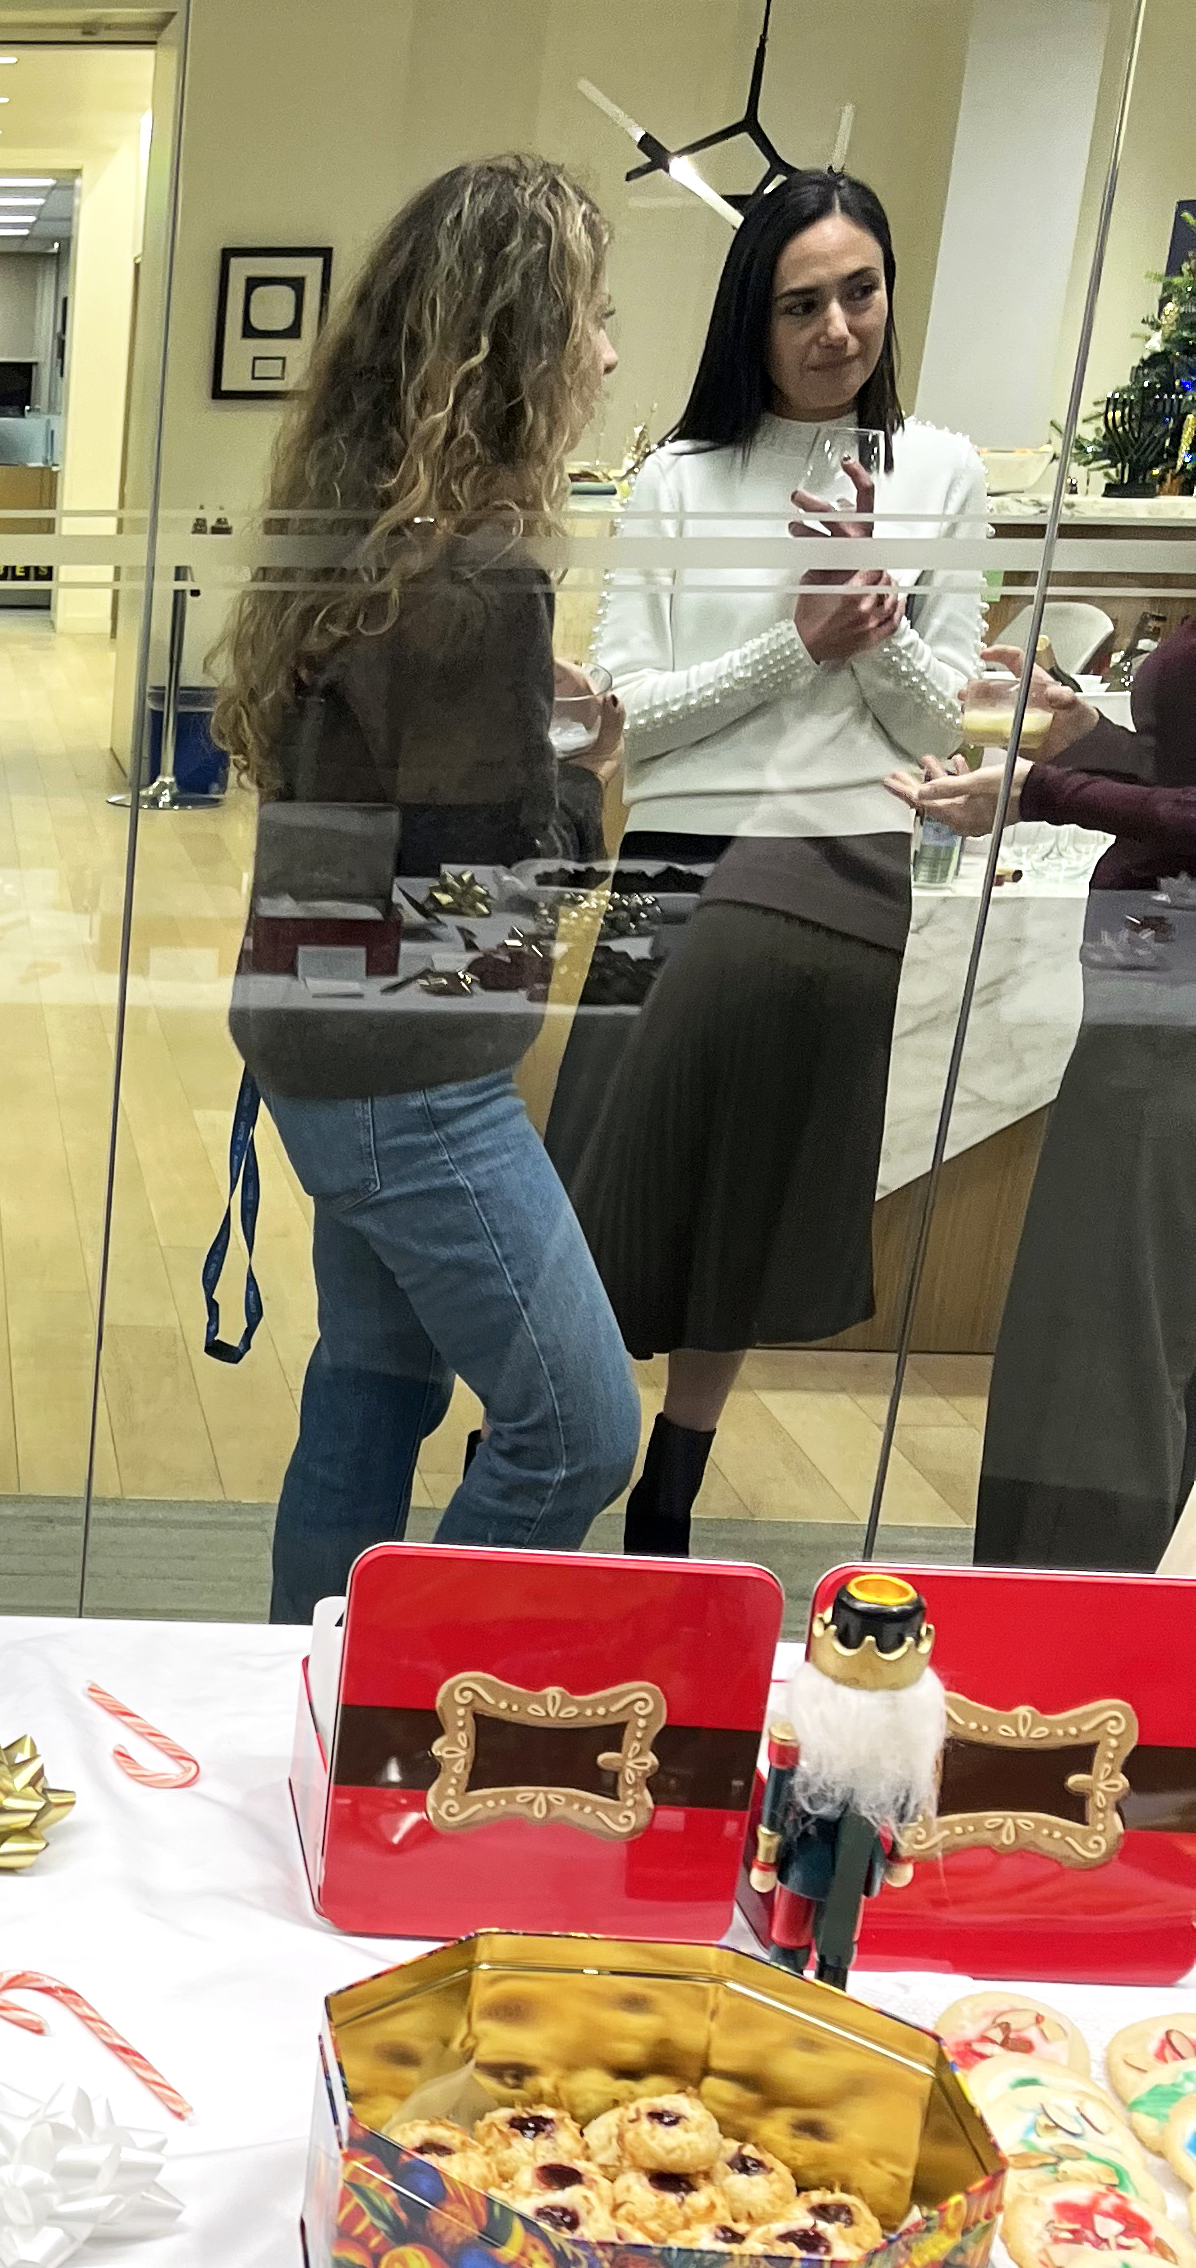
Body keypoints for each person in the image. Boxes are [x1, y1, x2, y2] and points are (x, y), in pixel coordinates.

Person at [208, 155, 640, 1623]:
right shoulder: (476, 580)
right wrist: (583, 765)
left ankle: (306, 1704)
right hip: (412, 1078)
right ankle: (400, 1696)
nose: (604, 352)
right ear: (523, 347)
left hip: (325, 1042)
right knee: (577, 1426)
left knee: (369, 1387)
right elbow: (483, 911)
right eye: (587, 317)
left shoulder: (362, 553)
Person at [576, 171, 987, 1552]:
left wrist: (876, 629)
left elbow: (946, 739)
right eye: (798, 301)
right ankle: (556, 1415)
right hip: (677, 848)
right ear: (747, 315)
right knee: (601, 1170)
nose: (833, 328)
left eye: (857, 291)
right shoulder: (674, 480)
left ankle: (670, 1476)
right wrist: (793, 643)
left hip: (838, 866)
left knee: (741, 1198)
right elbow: (625, 716)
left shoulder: (940, 471)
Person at [889, 637, 1195, 1569]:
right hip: (1154, 985)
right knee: (1127, 1334)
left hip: (1172, 1011)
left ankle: (1054, 1667)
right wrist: (1087, 738)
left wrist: (1039, 793)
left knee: (1102, 1349)